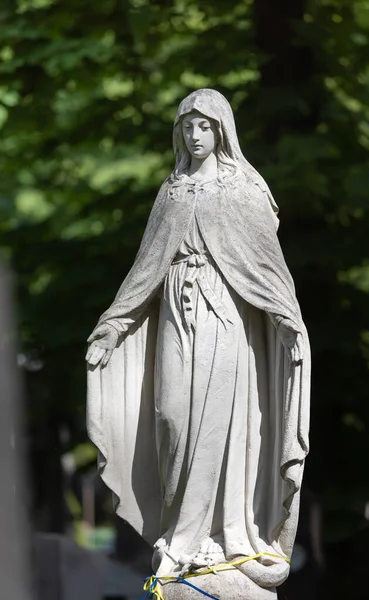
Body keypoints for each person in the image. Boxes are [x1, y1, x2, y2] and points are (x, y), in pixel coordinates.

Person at [86, 89, 310, 590]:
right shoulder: (171, 191)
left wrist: (286, 321)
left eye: (205, 126)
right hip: (174, 312)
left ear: (222, 130)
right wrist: (113, 325)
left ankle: (195, 541)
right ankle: (179, 528)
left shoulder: (243, 189)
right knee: (171, 415)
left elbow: (268, 271)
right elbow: (144, 270)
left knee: (215, 424)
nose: (195, 135)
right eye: (187, 127)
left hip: (224, 317)